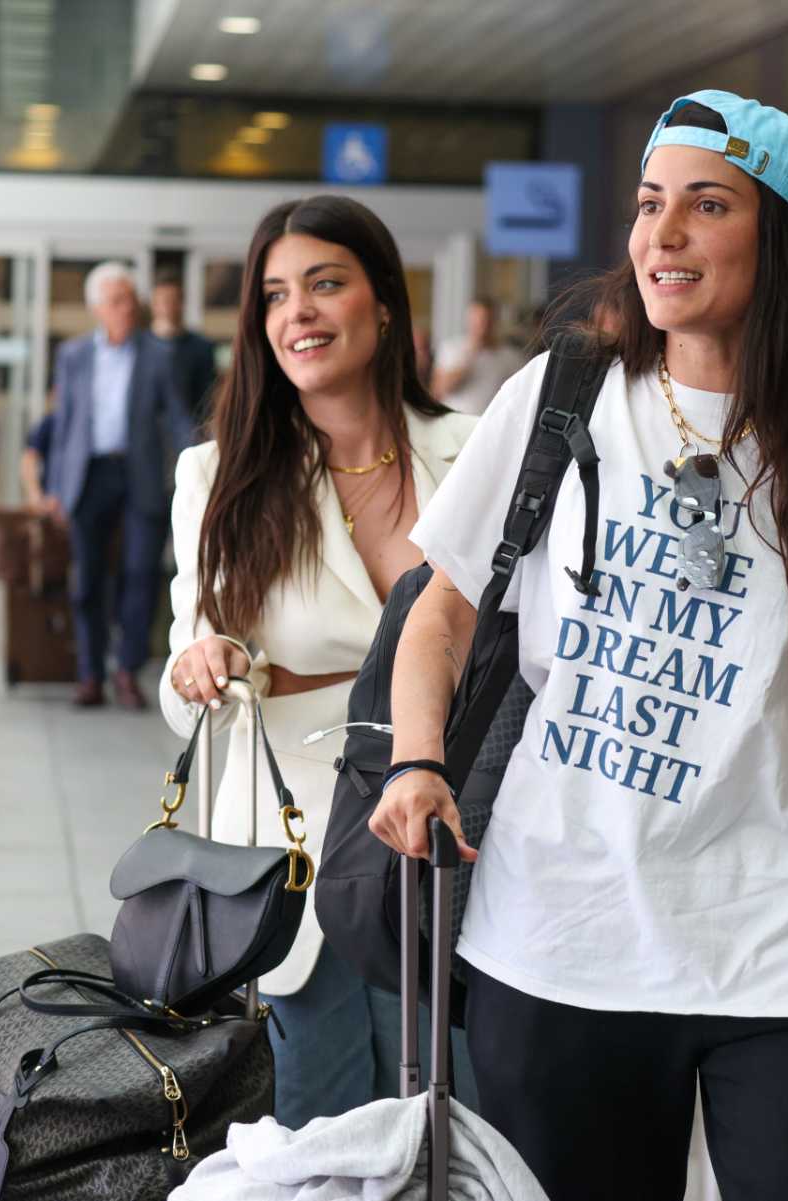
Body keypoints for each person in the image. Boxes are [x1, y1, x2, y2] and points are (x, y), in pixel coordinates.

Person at [371, 90, 788, 1200]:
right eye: (649, 205)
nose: (663, 235)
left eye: (706, 204)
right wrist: (416, 756)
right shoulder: (565, 397)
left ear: (777, 235)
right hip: (563, 930)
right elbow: (441, 612)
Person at [159, 196, 480, 1130]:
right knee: (316, 1141)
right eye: (275, 295)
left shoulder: (476, 452)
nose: (298, 311)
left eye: (325, 283)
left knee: (458, 1137)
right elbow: (191, 686)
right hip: (297, 859)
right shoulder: (221, 475)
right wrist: (206, 661)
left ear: (384, 303)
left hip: (459, 843)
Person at [46, 261, 193, 709]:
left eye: (130, 299)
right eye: (116, 301)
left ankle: (127, 671)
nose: (127, 308)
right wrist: (54, 487)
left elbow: (179, 418)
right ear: (96, 308)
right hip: (88, 476)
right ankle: (90, 674)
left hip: (140, 476)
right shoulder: (73, 356)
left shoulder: (158, 355)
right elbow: (63, 424)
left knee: (141, 574)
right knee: (87, 580)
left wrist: (205, 464)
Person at [428, 296, 525, 415]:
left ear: (495, 322)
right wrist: (469, 356)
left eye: (486, 320)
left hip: (492, 425)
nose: (482, 326)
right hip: (457, 424)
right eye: (477, 320)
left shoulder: (511, 356)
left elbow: (521, 395)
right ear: (468, 320)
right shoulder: (451, 349)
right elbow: (438, 390)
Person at [149, 270, 219, 428]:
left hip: (189, 434)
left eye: (173, 300)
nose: (168, 307)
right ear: (153, 304)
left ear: (182, 303)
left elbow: (207, 401)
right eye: (163, 301)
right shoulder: (139, 347)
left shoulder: (202, 348)